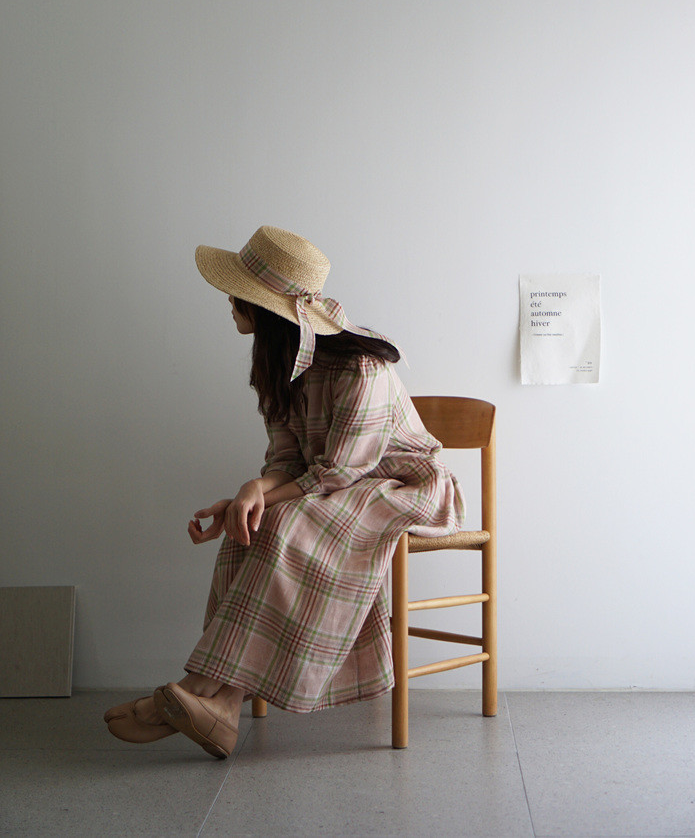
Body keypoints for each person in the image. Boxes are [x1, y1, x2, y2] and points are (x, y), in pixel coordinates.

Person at [104, 226, 466, 758]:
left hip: (404, 485)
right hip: (341, 485)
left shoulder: (360, 367)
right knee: (248, 530)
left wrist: (263, 496)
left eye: (238, 294)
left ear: (266, 309)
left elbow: (341, 470)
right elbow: (288, 461)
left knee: (290, 524)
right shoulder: (278, 366)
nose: (229, 302)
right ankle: (220, 706)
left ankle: (197, 689)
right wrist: (249, 494)